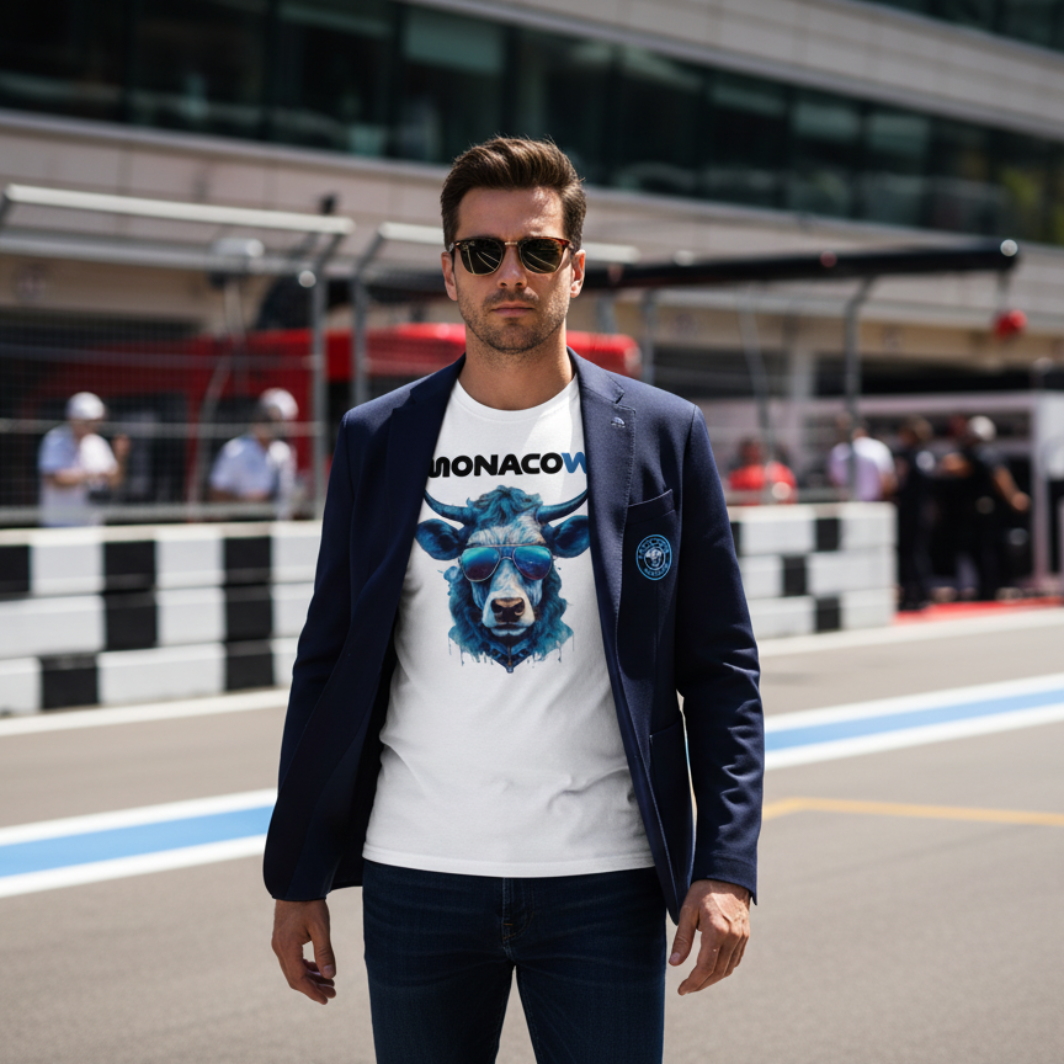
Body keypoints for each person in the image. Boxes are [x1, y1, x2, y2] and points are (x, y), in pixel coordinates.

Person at [264, 138, 763, 1064]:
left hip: (604, 878)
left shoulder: (664, 434)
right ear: (449, 271)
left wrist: (726, 866)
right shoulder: (378, 437)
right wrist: (296, 874)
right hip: (417, 876)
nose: (511, 274)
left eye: (537, 250)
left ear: (575, 268)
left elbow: (722, 669)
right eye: (484, 251)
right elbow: (326, 660)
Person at [939, 415, 1029, 600]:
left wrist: (1013, 497)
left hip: (984, 513)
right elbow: (949, 465)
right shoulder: (969, 454)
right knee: (976, 552)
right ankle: (984, 587)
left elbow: (1000, 478)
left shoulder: (986, 455)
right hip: (969, 513)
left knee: (986, 552)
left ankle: (989, 588)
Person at [38, 392, 130, 527]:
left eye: (96, 421)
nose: (93, 426)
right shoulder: (54, 439)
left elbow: (114, 482)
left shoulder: (98, 443)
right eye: (87, 421)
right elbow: (54, 479)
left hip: (91, 524)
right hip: (59, 524)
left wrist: (120, 457)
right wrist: (92, 475)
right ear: (72, 419)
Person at [209, 388, 299, 517]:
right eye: (268, 419)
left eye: (279, 421)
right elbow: (216, 493)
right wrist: (247, 504)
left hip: (275, 523)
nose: (274, 425)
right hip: (240, 522)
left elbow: (287, 494)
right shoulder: (234, 450)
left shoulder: (283, 452)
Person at [894, 416, 936, 611]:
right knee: (918, 553)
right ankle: (921, 592)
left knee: (910, 554)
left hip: (909, 511)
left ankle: (913, 593)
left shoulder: (908, 456)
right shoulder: (926, 456)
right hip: (922, 510)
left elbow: (899, 483)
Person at [828, 417, 896, 502]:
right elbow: (887, 480)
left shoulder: (838, 451)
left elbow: (835, 482)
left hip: (849, 503)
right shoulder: (878, 447)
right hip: (874, 502)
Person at [728, 436, 797, 503]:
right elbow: (733, 500)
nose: (751, 454)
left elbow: (790, 497)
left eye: (754, 451)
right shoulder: (737, 476)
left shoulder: (780, 471)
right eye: (747, 454)